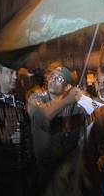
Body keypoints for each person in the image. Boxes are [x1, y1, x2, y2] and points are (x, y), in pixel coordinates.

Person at [0, 56, 35, 196]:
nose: (15, 77)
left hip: (21, 176)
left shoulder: (20, 103)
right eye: (10, 73)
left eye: (16, 73)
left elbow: (27, 137)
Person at [28, 66, 87, 195]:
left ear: (67, 87)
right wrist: (67, 100)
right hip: (40, 168)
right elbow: (44, 116)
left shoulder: (74, 103)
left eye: (59, 78)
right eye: (52, 76)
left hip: (64, 168)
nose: (53, 80)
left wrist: (84, 97)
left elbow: (95, 108)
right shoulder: (37, 97)